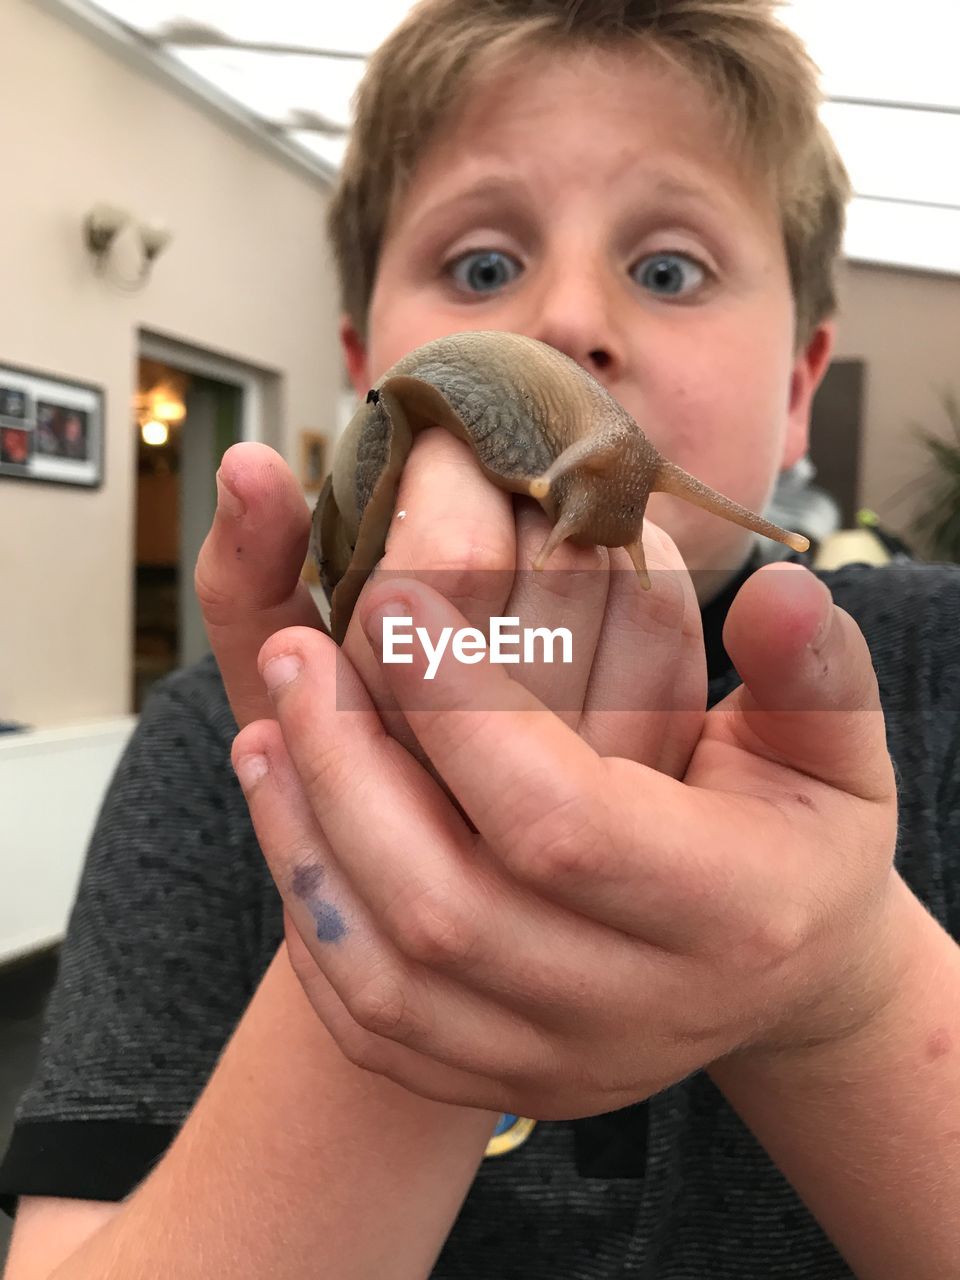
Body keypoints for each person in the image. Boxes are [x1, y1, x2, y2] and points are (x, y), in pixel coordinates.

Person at [3, 1, 960, 1276]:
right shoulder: (219, 744)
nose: (565, 319)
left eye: (668, 269)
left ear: (801, 387)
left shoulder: (931, 677)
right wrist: (406, 919)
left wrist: (843, 990)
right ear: (365, 368)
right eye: (484, 269)